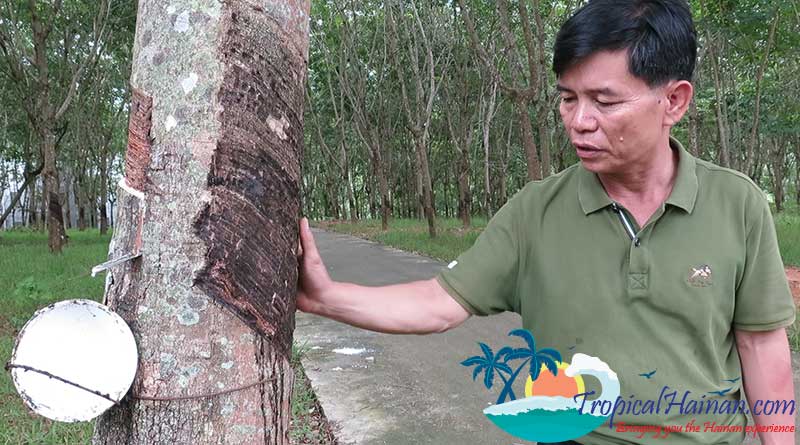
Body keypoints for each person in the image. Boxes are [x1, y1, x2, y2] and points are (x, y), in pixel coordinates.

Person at [297, 0, 796, 443]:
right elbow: (438, 303)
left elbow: (760, 344)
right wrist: (326, 298)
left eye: (605, 101)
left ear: (674, 101)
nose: (579, 120)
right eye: (567, 98)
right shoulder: (535, 212)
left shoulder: (737, 204)